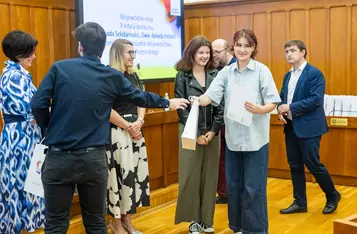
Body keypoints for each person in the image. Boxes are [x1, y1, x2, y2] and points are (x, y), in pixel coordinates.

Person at [30, 22, 188, 234]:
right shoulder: (111, 76)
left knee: (56, 224)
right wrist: (168, 102)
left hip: (59, 158)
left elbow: (37, 104)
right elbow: (140, 97)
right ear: (103, 49)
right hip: (93, 160)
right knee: (95, 223)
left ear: (80, 46)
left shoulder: (60, 68)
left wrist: (49, 128)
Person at [195, 29, 281, 234]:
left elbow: (273, 103)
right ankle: (238, 227)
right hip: (233, 140)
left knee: (253, 188)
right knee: (233, 186)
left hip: (256, 141)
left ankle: (256, 230)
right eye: (239, 45)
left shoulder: (262, 71)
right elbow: (210, 97)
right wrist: (194, 101)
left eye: (247, 45)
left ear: (253, 48)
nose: (242, 49)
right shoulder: (225, 73)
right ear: (233, 47)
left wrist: (260, 109)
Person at [278, 40, 341, 215]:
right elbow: (283, 98)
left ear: (303, 52)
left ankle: (332, 195)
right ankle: (300, 202)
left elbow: (315, 100)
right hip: (291, 126)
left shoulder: (314, 73)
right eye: (286, 51)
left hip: (310, 127)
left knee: (313, 164)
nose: (289, 54)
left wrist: (290, 107)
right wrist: (280, 110)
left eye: (292, 50)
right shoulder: (287, 76)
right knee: (294, 165)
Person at [174, 35, 224, 234]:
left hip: (212, 132)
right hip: (189, 132)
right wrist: (195, 134)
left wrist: (212, 131)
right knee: (191, 176)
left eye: (207, 52)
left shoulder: (216, 74)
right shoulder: (182, 75)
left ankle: (206, 220)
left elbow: (221, 105)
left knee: (210, 176)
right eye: (200, 52)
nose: (204, 56)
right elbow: (181, 107)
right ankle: (194, 220)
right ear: (192, 53)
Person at [0, 30, 46, 234]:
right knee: (20, 189)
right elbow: (29, 109)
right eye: (31, 53)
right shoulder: (13, 76)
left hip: (26, 138)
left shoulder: (19, 74)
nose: (34, 57)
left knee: (29, 188)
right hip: (19, 141)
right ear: (19, 53)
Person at [106, 39, 148, 234]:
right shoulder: (109, 76)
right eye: (129, 52)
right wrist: (128, 126)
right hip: (117, 132)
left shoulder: (134, 76)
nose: (133, 56)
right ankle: (115, 222)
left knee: (132, 179)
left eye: (134, 52)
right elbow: (106, 109)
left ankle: (127, 220)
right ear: (117, 54)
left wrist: (139, 122)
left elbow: (142, 100)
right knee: (119, 178)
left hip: (135, 130)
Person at [211, 38, 237, 204]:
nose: (213, 55)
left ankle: (231, 192)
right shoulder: (215, 69)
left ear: (228, 51)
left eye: (217, 52)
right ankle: (225, 193)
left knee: (231, 159)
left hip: (234, 120)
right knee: (221, 159)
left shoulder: (237, 67)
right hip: (220, 120)